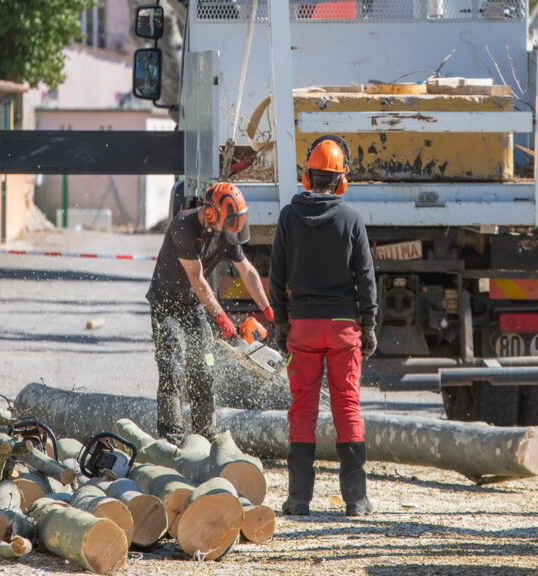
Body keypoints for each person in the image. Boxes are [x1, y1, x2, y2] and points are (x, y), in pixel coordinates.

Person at [269, 135, 378, 517]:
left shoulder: (287, 216)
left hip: (303, 327)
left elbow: (276, 274)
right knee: (347, 406)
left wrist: (281, 322)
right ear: (341, 180)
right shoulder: (351, 218)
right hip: (344, 328)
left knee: (302, 409)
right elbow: (365, 277)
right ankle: (356, 500)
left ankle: (299, 499)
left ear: (307, 176)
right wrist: (371, 323)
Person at [147, 181, 273, 445]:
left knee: (204, 364)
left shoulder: (227, 233)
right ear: (211, 212)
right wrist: (222, 318)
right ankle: (170, 436)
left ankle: (205, 431)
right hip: (166, 303)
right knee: (171, 361)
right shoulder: (184, 226)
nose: (230, 232)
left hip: (194, 304)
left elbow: (247, 272)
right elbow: (197, 279)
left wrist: (268, 310)